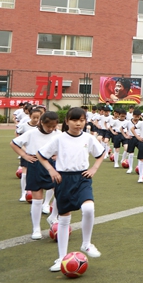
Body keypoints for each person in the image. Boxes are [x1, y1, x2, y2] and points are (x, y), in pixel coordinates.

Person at [37, 107, 105, 272]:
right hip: (63, 179)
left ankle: (86, 244)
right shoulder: (59, 139)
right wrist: (52, 170)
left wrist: (94, 168)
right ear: (67, 121)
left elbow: (101, 153)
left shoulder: (88, 138)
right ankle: (61, 258)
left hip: (82, 178)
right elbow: (41, 155)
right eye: (74, 120)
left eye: (82, 120)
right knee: (64, 219)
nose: (78, 123)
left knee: (89, 208)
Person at [10, 110, 60, 238]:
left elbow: (64, 148)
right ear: (41, 122)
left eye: (54, 126)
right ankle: (36, 229)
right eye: (49, 126)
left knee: (62, 193)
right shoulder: (32, 133)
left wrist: (57, 155)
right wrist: (24, 155)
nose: (51, 129)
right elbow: (14, 143)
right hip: (35, 165)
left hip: (52, 166)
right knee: (37, 199)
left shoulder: (58, 134)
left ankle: (53, 217)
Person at [14, 105, 43, 202]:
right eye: (34, 117)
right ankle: (23, 193)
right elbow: (17, 134)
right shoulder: (24, 126)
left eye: (38, 118)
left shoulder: (41, 127)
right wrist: (23, 148)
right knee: (25, 174)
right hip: (27, 153)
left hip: (39, 154)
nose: (35, 120)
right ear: (30, 116)